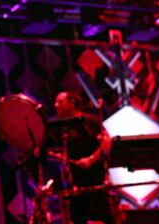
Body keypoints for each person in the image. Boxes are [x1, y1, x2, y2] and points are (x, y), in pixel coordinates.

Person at [52, 91, 113, 224]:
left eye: (60, 102)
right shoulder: (62, 127)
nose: (56, 105)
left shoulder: (89, 121)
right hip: (75, 182)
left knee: (101, 216)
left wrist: (91, 160)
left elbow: (107, 143)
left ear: (72, 103)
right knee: (78, 218)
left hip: (95, 179)